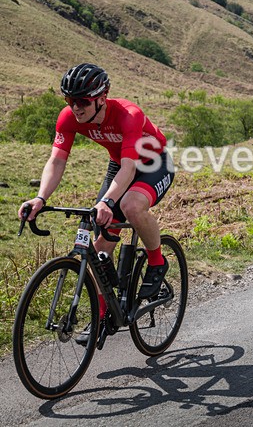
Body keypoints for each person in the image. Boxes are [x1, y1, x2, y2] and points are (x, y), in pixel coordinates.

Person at [18, 63, 174, 344]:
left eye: (82, 101)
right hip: (120, 164)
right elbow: (57, 160)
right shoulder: (69, 117)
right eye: (70, 100)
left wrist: (107, 201)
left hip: (154, 164)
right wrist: (40, 198)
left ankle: (157, 261)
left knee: (131, 205)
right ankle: (102, 315)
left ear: (102, 98)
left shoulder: (129, 115)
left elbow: (130, 168)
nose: (75, 108)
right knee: (100, 247)